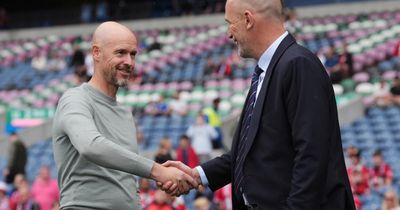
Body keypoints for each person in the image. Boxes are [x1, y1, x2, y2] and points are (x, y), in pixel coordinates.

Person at [161, 0, 356, 209]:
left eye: (230, 23)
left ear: (248, 19)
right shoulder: (269, 70)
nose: (228, 34)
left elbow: (311, 155)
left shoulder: (298, 64)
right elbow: (252, 152)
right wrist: (198, 175)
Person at [52, 21, 197, 210]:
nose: (129, 62)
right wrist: (157, 171)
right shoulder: (75, 99)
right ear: (96, 53)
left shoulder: (125, 112)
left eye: (133, 54)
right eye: (120, 53)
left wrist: (164, 181)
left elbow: (125, 180)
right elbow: (91, 146)